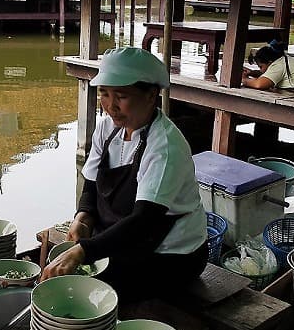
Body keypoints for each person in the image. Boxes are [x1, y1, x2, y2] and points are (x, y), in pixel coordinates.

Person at [40, 47, 209, 302]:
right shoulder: (108, 128)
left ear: (151, 95)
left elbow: (144, 221)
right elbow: (92, 182)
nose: (110, 106)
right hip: (126, 236)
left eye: (121, 96)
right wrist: (82, 218)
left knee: (91, 294)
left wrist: (84, 251)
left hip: (169, 255)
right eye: (104, 94)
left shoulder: (165, 146)